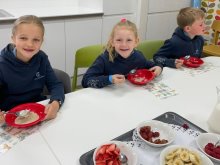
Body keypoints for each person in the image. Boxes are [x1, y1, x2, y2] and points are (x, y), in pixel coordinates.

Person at [0, 15, 65, 124]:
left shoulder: (42, 58)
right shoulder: (2, 64)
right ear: (13, 39)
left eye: (36, 39)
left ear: (41, 41)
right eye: (23, 38)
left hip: (38, 111)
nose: (30, 44)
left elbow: (55, 85)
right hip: (10, 115)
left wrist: (55, 102)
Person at [81, 19, 162, 88]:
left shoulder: (138, 57)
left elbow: (153, 65)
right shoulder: (104, 59)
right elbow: (85, 81)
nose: (124, 44)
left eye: (129, 40)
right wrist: (109, 79)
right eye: (119, 40)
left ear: (136, 42)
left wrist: (159, 67)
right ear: (112, 42)